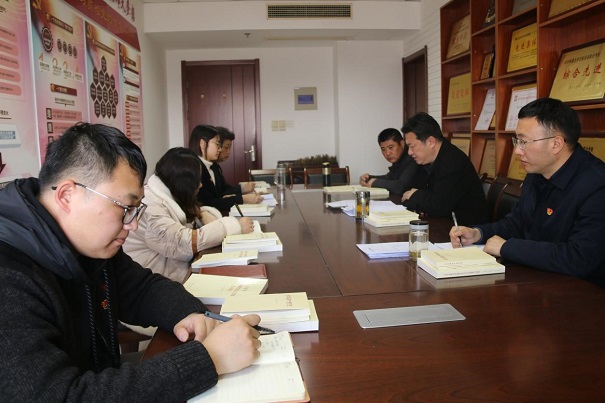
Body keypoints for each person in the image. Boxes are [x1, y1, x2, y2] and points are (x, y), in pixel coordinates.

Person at [0, 123, 261, 401]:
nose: (133, 224)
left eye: (136, 209)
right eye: (125, 208)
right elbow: (64, 396)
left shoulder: (88, 244)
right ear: (67, 195)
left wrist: (191, 314)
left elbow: (141, 289)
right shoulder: (9, 277)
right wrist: (209, 359)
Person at [450, 98, 605, 287]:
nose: (517, 150)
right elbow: (518, 222)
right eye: (517, 140)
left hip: (583, 292)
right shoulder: (537, 173)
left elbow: (580, 258)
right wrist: (478, 233)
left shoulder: (597, 185)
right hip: (537, 279)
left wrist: (507, 247)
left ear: (556, 144)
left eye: (524, 141)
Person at [123, 147, 254, 283]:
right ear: (183, 182)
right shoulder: (149, 206)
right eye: (197, 180)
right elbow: (182, 243)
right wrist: (233, 226)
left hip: (170, 275)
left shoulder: (167, 193)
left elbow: (190, 214)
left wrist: (202, 214)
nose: (200, 185)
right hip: (155, 284)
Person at [401, 112, 488, 225]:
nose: (409, 152)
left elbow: (439, 206)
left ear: (430, 142)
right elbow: (407, 193)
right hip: (444, 224)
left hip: (468, 229)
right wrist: (417, 197)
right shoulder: (425, 160)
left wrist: (416, 195)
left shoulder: (453, 161)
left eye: (412, 146)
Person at [188, 124, 262, 212]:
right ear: (203, 144)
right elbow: (210, 204)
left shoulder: (212, 166)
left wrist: (238, 194)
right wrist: (243, 199)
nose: (220, 149)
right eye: (217, 144)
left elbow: (222, 192)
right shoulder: (195, 169)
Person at [359, 128, 426, 196]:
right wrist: (368, 178)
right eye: (383, 149)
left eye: (391, 147)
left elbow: (400, 187)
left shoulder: (413, 158)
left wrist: (375, 182)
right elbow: (391, 177)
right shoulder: (400, 159)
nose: (387, 153)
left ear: (402, 143)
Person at [215, 126, 256, 194]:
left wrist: (243, 188)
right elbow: (221, 193)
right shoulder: (207, 167)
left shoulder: (215, 165)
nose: (228, 152)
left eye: (230, 148)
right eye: (226, 148)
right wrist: (243, 192)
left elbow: (224, 188)